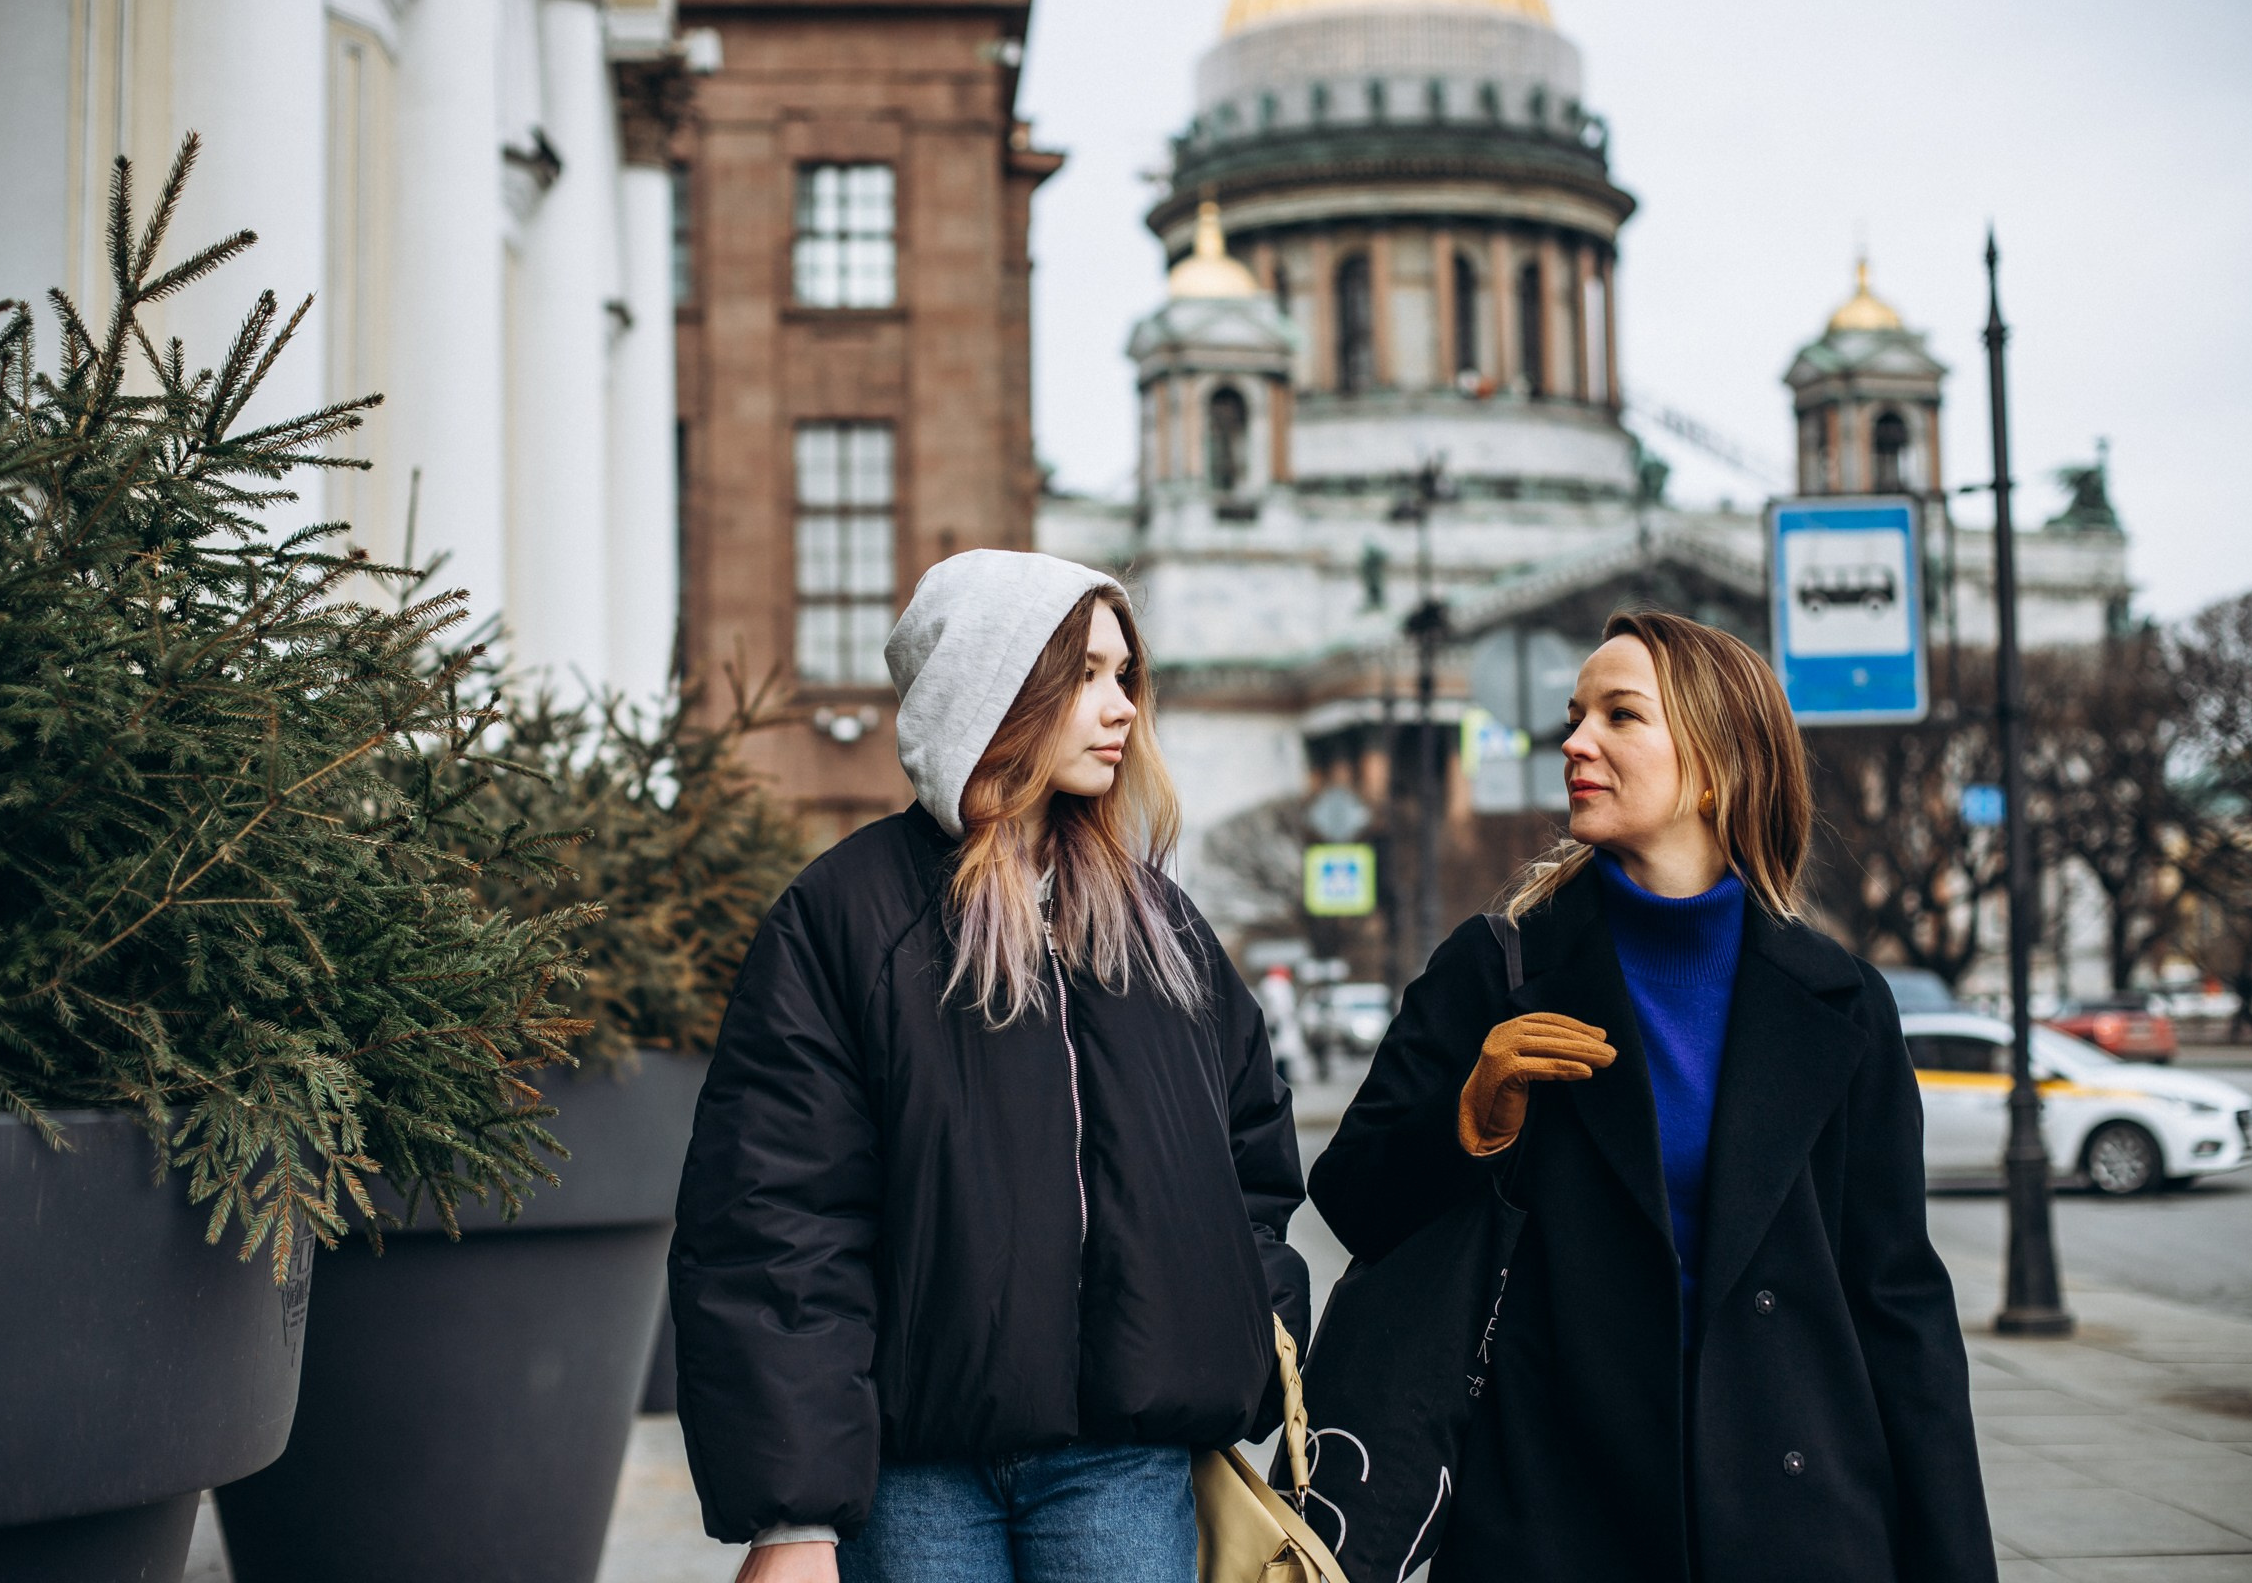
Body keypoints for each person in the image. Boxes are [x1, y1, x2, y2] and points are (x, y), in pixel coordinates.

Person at [1308, 609, 1994, 1583]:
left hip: (1800, 1517)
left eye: (1620, 716)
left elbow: (1897, 1302)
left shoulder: (1841, 1001)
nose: (1575, 743)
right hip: (1553, 1517)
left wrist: (1952, 1560)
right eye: (1574, 717)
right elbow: (1353, 1202)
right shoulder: (1496, 967)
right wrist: (1468, 1119)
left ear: (1718, 764)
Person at [670, 550, 1312, 1583]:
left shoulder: (1160, 928)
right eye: (1087, 675)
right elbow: (773, 1222)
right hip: (917, 1472)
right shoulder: (845, 919)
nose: (1122, 709)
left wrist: (1231, 1339)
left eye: (1124, 676)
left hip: (1124, 1465)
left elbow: (1254, 1165)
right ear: (998, 687)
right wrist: (793, 1517)